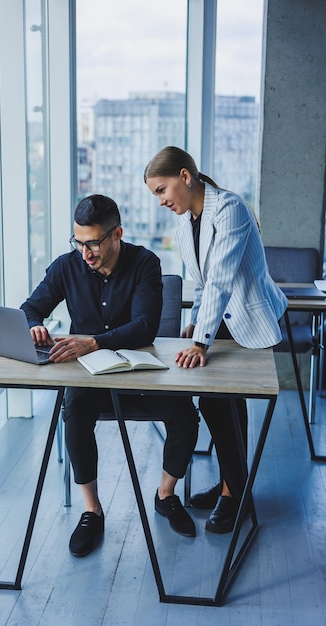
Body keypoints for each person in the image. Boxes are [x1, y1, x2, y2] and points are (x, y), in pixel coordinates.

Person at [20, 193, 200, 557]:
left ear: (117, 234)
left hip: (142, 373)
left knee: (184, 415)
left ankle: (166, 495)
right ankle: (92, 510)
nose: (85, 253)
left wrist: (92, 342)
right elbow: (30, 308)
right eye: (79, 242)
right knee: (75, 415)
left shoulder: (145, 263)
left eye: (93, 244)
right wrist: (34, 326)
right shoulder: (66, 266)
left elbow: (146, 327)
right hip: (91, 378)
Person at [144, 146, 288, 534]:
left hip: (248, 317)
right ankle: (232, 486)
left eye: (161, 190)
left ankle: (234, 493)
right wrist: (195, 324)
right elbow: (204, 283)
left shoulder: (230, 209)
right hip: (219, 316)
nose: (160, 201)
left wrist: (201, 343)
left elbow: (223, 278)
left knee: (217, 400)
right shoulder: (186, 219)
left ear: (185, 177)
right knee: (222, 403)